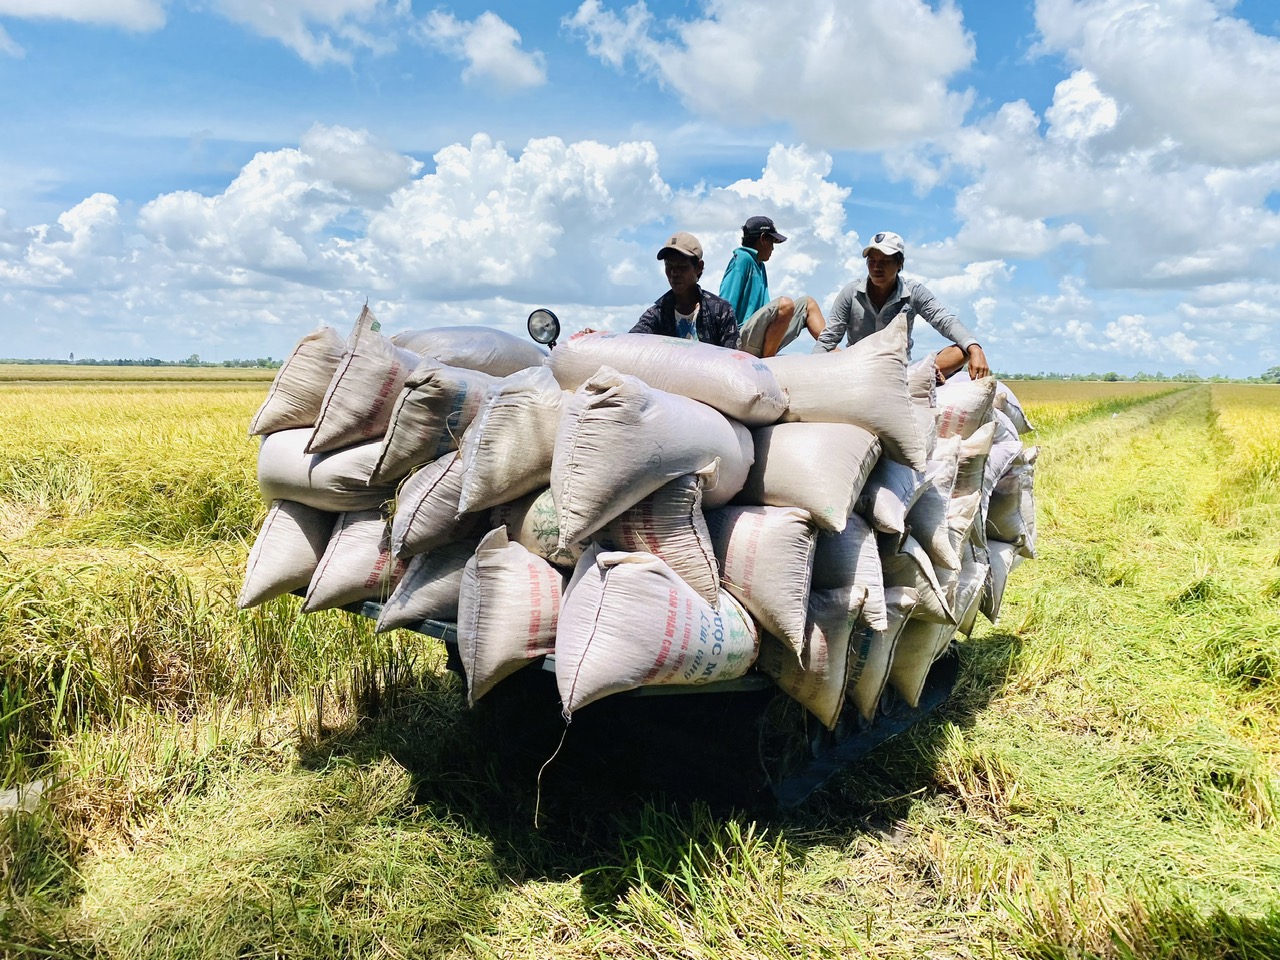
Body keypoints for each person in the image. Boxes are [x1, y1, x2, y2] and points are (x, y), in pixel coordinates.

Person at [814, 230, 991, 381]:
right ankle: (923, 377)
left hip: (901, 368)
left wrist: (975, 348)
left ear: (900, 264)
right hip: (858, 367)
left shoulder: (913, 291)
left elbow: (944, 320)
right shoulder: (851, 292)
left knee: (963, 350)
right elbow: (828, 339)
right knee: (830, 358)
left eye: (884, 261)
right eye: (872, 261)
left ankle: (920, 375)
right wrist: (809, 371)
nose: (876, 267)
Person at [718, 215, 826, 357]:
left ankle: (834, 353)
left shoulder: (760, 265)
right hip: (740, 339)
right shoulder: (742, 259)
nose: (773, 249)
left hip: (761, 337)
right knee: (785, 305)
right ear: (763, 239)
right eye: (772, 242)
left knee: (808, 304)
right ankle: (768, 361)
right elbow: (724, 306)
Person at [629, 231, 740, 348]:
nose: (674, 273)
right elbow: (631, 342)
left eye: (682, 267)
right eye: (669, 266)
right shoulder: (657, 314)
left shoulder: (720, 311)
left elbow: (732, 356)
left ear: (698, 267)